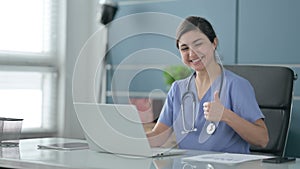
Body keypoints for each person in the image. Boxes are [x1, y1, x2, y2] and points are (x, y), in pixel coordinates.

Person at [146, 16, 269, 154]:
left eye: (198, 44)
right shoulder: (177, 89)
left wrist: (225, 115)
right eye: (184, 48)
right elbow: (158, 137)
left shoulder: (236, 85)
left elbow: (262, 139)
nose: (192, 53)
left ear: (214, 43)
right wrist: (127, 139)